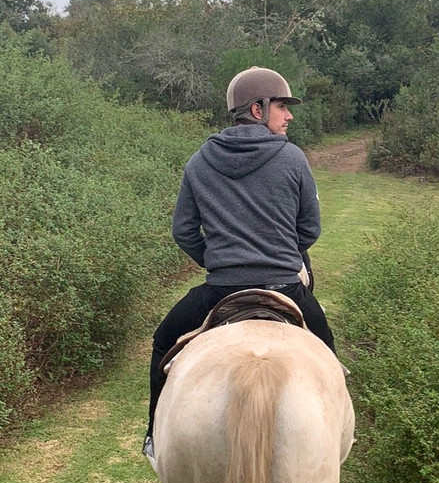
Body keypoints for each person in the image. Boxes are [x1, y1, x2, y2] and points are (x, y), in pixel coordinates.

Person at [143, 66, 336, 459]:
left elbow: (183, 230)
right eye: (282, 106)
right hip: (286, 287)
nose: (289, 116)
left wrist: (218, 261)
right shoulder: (293, 158)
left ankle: (152, 436)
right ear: (256, 110)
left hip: (220, 288)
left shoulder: (199, 161)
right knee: (327, 349)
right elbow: (310, 228)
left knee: (164, 340)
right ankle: (335, 438)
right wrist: (282, 255)